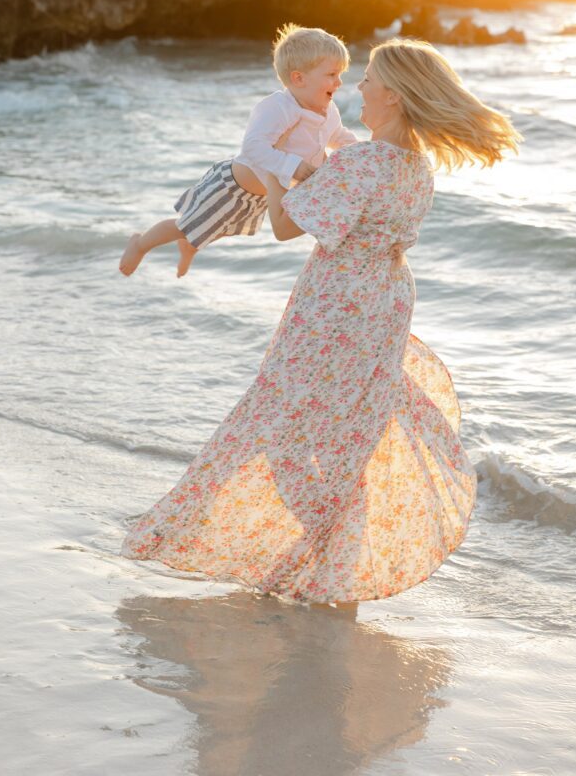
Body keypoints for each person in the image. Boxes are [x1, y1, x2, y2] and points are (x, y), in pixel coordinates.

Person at [120, 38, 522, 604]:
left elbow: (286, 227)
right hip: (385, 299)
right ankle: (336, 561)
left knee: (283, 429)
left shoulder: (361, 162)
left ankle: (327, 545)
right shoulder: (416, 167)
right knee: (349, 434)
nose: (359, 88)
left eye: (372, 81)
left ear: (396, 98)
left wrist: (274, 167)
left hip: (337, 304)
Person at [118, 24, 357, 279]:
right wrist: (293, 166)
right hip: (232, 185)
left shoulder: (328, 111)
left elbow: (337, 137)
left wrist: (362, 151)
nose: (339, 82)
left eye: (340, 74)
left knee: (221, 229)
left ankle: (190, 245)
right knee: (185, 225)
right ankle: (140, 243)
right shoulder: (278, 107)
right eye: (332, 74)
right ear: (299, 78)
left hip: (260, 195)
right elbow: (253, 148)